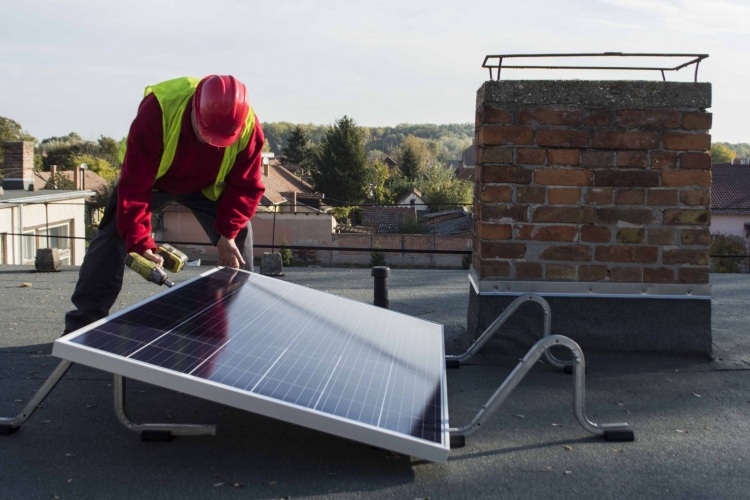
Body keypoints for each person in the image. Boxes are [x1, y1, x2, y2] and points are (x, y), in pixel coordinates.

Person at [64, 75, 265, 335]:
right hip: (155, 182)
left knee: (239, 240)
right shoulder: (157, 111)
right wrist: (139, 242)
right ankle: (83, 327)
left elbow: (245, 187)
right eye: (206, 134)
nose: (209, 143)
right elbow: (135, 186)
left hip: (205, 188)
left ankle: (235, 329)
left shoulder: (248, 128)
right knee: (113, 233)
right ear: (195, 107)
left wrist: (227, 234)